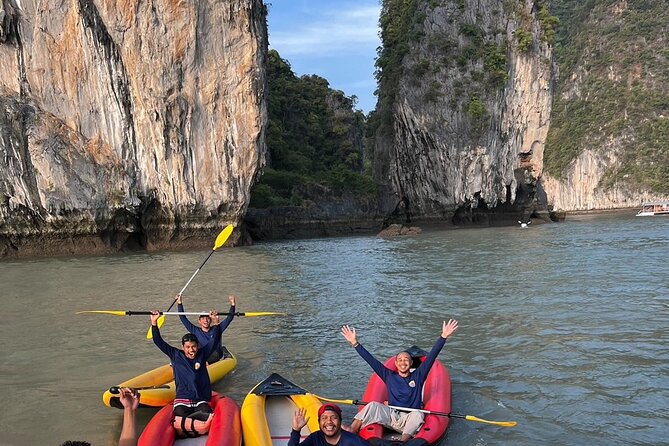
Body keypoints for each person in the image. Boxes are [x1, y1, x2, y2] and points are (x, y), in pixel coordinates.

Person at [341, 319, 459, 442]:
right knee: (372, 406)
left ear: (411, 363)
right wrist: (355, 343)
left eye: (406, 360)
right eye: (400, 360)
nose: (403, 362)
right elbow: (371, 360)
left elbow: (432, 356)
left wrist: (443, 336)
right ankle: (353, 429)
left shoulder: (418, 376)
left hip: (410, 419)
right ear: (396, 363)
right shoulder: (388, 376)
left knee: (418, 414)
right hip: (392, 417)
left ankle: (403, 441)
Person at [150, 310, 222, 433]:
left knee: (207, 413)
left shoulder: (203, 353)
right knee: (180, 417)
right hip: (182, 399)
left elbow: (214, 340)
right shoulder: (175, 355)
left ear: (198, 346)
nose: (191, 350)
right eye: (188, 347)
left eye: (194, 346)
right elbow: (158, 341)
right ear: (183, 347)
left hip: (199, 398)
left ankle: (196, 423)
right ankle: (192, 423)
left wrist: (215, 323)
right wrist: (154, 323)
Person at [176, 293, 236, 364]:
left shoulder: (217, 328)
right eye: (203, 318)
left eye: (207, 318)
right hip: (203, 354)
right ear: (199, 321)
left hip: (216, 354)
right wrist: (179, 303)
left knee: (208, 356)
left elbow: (229, 318)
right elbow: (183, 318)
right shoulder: (195, 330)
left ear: (210, 320)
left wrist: (233, 304)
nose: (205, 320)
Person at [288, 404, 369, 446]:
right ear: (319, 422)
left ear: (340, 422)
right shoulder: (315, 438)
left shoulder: (352, 441)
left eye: (334, 418)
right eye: (324, 418)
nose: (329, 421)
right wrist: (296, 430)